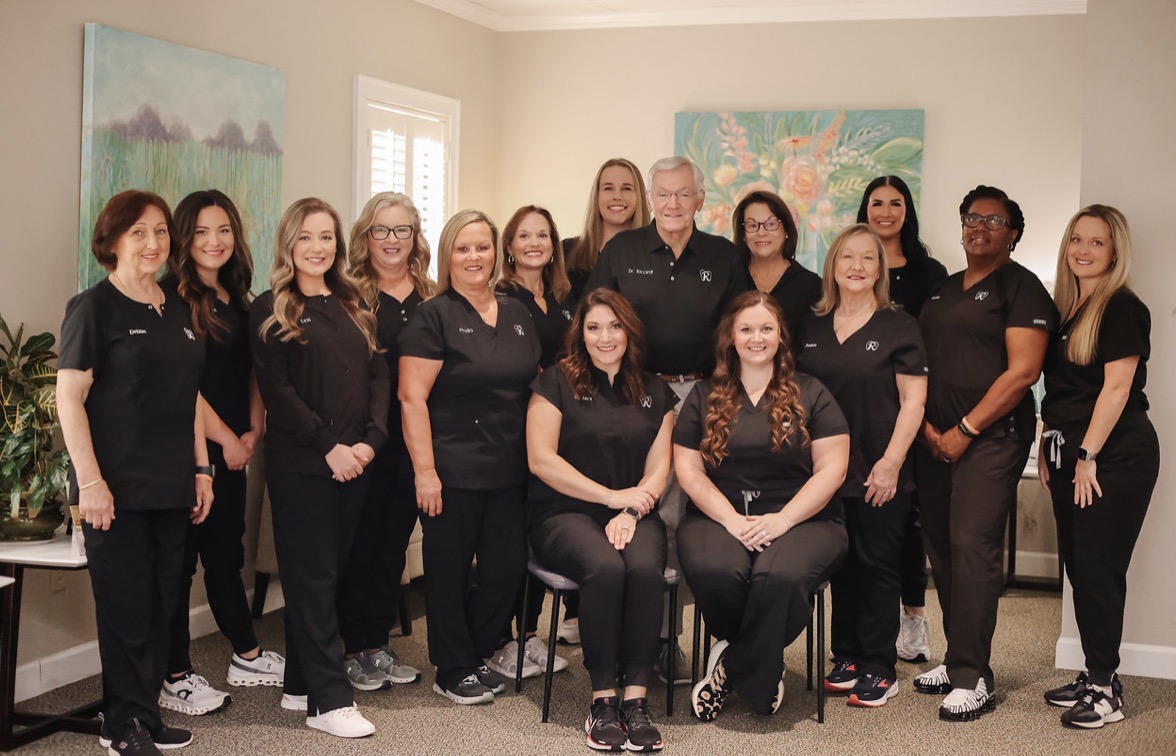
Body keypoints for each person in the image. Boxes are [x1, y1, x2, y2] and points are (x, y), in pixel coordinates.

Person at [57, 190, 211, 755]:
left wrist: (202, 468)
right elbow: (69, 399)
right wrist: (91, 483)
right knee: (125, 604)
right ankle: (122, 725)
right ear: (114, 241)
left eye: (162, 232)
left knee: (160, 603)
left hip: (171, 482)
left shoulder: (175, 305)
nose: (154, 243)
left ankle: (145, 712)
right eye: (139, 232)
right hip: (112, 487)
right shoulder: (93, 307)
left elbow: (189, 395)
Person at [586, 155, 748, 683]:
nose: (673, 204)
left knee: (684, 517)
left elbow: (741, 327)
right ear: (650, 198)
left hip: (703, 392)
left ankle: (674, 642)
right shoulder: (622, 250)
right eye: (664, 194)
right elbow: (596, 322)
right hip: (635, 391)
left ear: (701, 199)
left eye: (684, 194)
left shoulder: (722, 256)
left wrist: (719, 391)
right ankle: (637, 638)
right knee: (644, 507)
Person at [913, 185, 1056, 721]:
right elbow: (923, 363)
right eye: (972, 218)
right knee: (943, 548)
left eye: (993, 221)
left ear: (1013, 233)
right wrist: (928, 427)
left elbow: (1023, 373)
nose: (980, 227)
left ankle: (975, 677)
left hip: (990, 441)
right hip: (934, 439)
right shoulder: (943, 292)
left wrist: (965, 429)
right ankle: (956, 661)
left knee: (972, 547)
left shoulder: (1023, 290)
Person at [250, 197, 388, 739]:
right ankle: (330, 701)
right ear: (289, 243)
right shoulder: (270, 307)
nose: (317, 247)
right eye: (306, 237)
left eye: (326, 236)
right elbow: (277, 392)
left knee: (329, 575)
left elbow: (378, 377)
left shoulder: (354, 301)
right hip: (303, 464)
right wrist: (329, 446)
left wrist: (371, 442)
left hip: (357, 461)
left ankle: (301, 683)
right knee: (311, 577)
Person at [677, 291, 850, 721]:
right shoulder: (704, 394)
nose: (757, 337)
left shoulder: (812, 392)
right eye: (747, 329)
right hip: (719, 515)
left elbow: (832, 468)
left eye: (767, 328)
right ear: (731, 337)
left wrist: (783, 519)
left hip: (804, 518)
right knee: (720, 571)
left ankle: (733, 666)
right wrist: (732, 520)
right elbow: (689, 470)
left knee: (780, 575)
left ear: (781, 337)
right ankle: (764, 664)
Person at [399, 209, 541, 705]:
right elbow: (412, 398)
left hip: (511, 469)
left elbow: (534, 386)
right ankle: (452, 666)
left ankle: (476, 651)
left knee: (505, 571)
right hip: (452, 470)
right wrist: (425, 473)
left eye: (482, 247)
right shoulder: (432, 316)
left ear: (497, 253)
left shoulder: (518, 313)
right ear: (447, 256)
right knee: (449, 571)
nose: (474, 257)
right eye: (462, 248)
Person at [527, 288, 676, 752]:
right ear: (581, 333)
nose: (604, 336)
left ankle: (636, 700)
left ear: (629, 331)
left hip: (635, 510)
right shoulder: (555, 382)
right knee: (607, 569)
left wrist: (631, 509)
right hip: (564, 512)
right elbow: (541, 460)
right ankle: (603, 701)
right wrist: (612, 498)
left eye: (614, 326)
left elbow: (660, 469)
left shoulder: (656, 391)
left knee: (647, 570)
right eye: (593, 327)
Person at [160, 190, 285, 718]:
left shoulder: (240, 296)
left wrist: (253, 429)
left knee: (226, 555)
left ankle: (245, 654)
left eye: (224, 230)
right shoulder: (170, 297)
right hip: (183, 451)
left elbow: (252, 369)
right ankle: (174, 675)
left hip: (234, 449)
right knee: (178, 564)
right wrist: (227, 440)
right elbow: (183, 385)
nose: (215, 242)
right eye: (202, 232)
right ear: (184, 238)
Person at [796, 225, 927, 708]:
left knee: (877, 566)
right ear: (833, 265)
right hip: (824, 471)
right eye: (846, 257)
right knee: (841, 565)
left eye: (867, 258)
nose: (856, 265)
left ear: (881, 267)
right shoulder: (810, 325)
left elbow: (914, 401)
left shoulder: (899, 325)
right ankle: (847, 656)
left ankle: (879, 665)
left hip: (880, 469)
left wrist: (892, 464)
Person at [1038, 205, 1158, 729]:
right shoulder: (1072, 308)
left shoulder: (1121, 308)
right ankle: (1094, 675)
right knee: (1080, 571)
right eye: (1076, 240)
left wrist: (1087, 455)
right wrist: (1049, 447)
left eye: (1097, 243)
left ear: (1115, 252)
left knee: (1098, 571)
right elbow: (1060, 392)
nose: (1083, 251)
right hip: (1072, 455)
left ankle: (1107, 690)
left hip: (1114, 455)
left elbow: (1116, 388)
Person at [335, 192, 432, 691]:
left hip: (412, 444)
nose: (391, 240)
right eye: (380, 230)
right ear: (365, 237)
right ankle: (348, 649)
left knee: (393, 546)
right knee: (358, 546)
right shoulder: (349, 295)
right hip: (363, 441)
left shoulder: (433, 296)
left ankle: (377, 643)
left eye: (401, 230)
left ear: (414, 236)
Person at [856, 176, 948, 663]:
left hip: (914, 413)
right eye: (877, 203)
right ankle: (865, 629)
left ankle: (914, 619)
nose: (886, 211)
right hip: (866, 415)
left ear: (907, 211)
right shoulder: (852, 271)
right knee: (863, 526)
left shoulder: (930, 273)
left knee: (911, 522)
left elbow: (938, 347)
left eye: (896, 203)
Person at [488, 205, 573, 678]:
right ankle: (502, 639)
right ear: (510, 246)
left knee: (541, 528)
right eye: (525, 236)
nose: (535, 243)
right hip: (517, 429)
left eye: (543, 234)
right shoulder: (502, 295)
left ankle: (529, 636)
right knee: (511, 538)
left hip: (560, 427)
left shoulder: (561, 296)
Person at [733, 189, 820, 344]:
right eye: (752, 225)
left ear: (786, 229)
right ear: (743, 234)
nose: (761, 232)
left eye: (771, 224)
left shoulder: (811, 286)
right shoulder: (730, 278)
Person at [563, 157, 650, 303]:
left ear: (640, 197)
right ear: (597, 196)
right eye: (608, 188)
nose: (617, 196)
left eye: (627, 188)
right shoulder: (566, 252)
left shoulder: (654, 257)